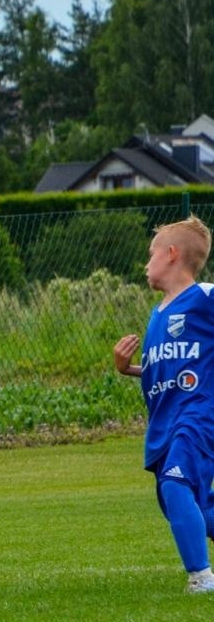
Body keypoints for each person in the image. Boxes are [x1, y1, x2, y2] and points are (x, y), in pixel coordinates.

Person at [112, 215, 214, 593]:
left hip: (199, 415)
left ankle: (201, 579)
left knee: (176, 485)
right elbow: (169, 368)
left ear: (171, 254)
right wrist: (129, 369)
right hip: (164, 425)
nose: (146, 263)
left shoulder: (204, 297)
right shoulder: (158, 316)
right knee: (193, 508)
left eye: (151, 254)